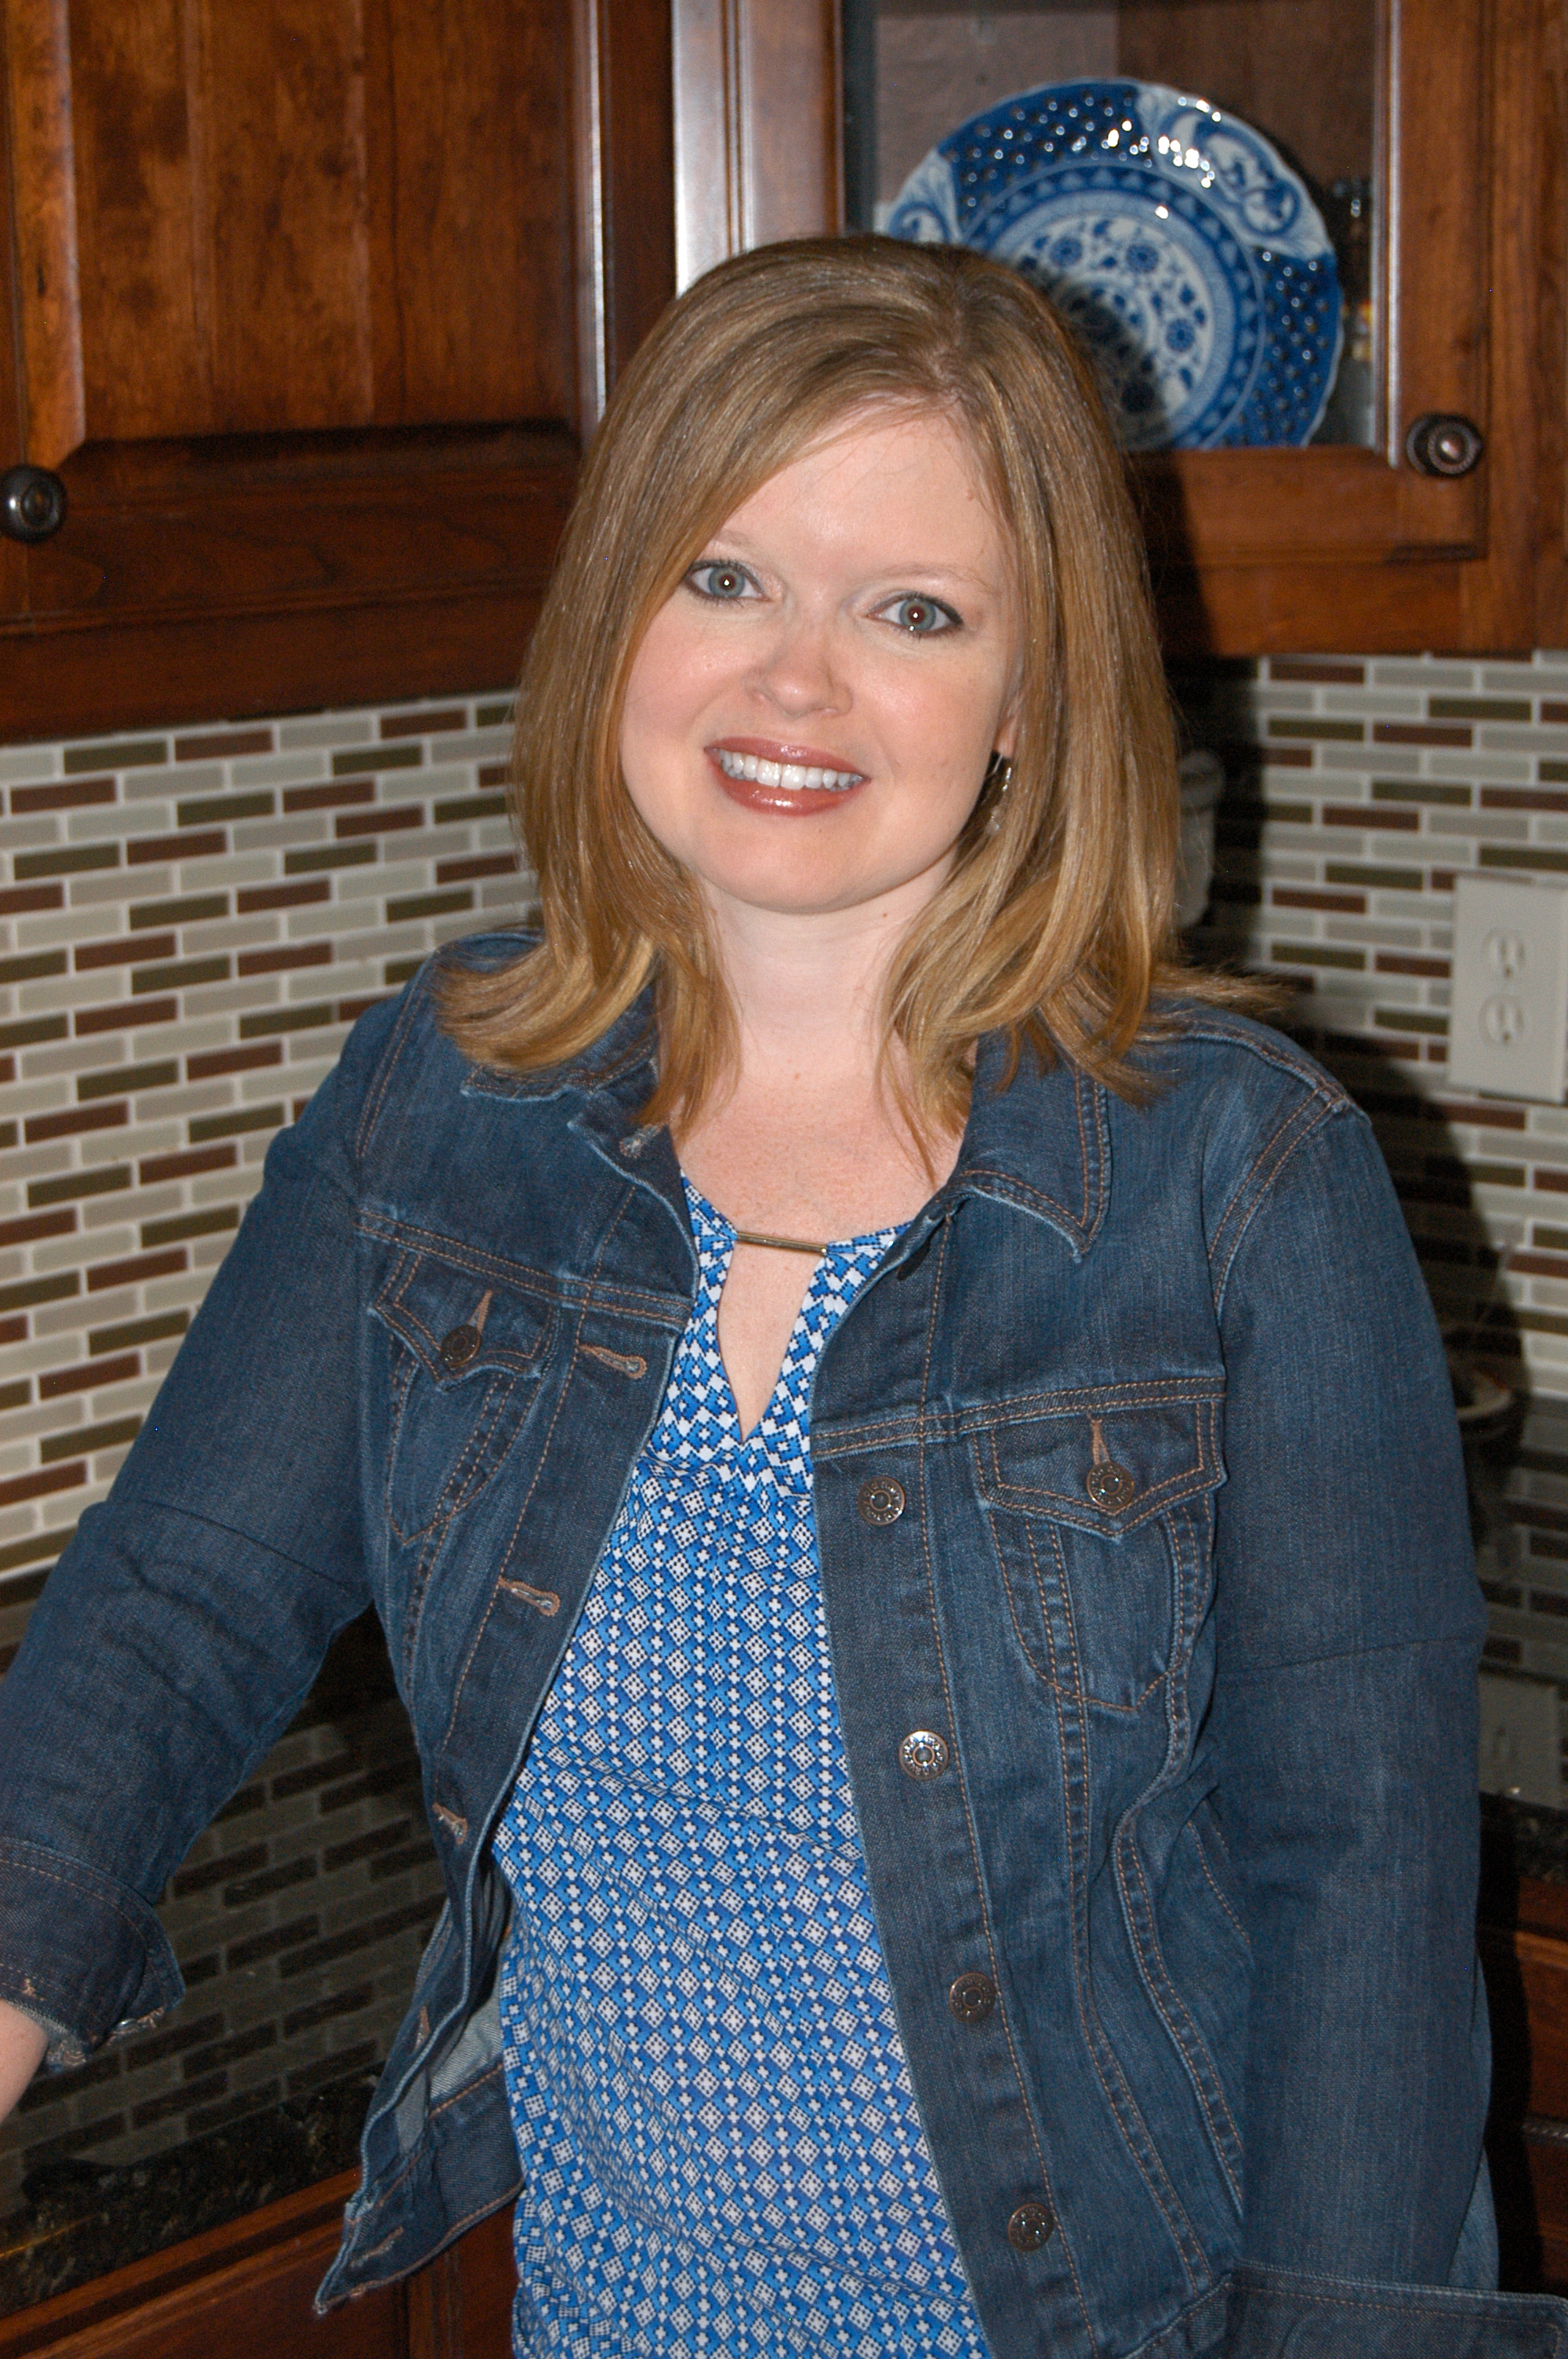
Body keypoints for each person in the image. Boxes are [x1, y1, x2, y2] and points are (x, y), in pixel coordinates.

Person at [0, 235, 1561, 2359]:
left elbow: (1362, 1872)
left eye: (914, 611)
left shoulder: (1235, 1175)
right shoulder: (441, 1107)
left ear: (1031, 701)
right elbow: (173, 1609)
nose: (796, 683)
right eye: (724, 576)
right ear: (615, 617)